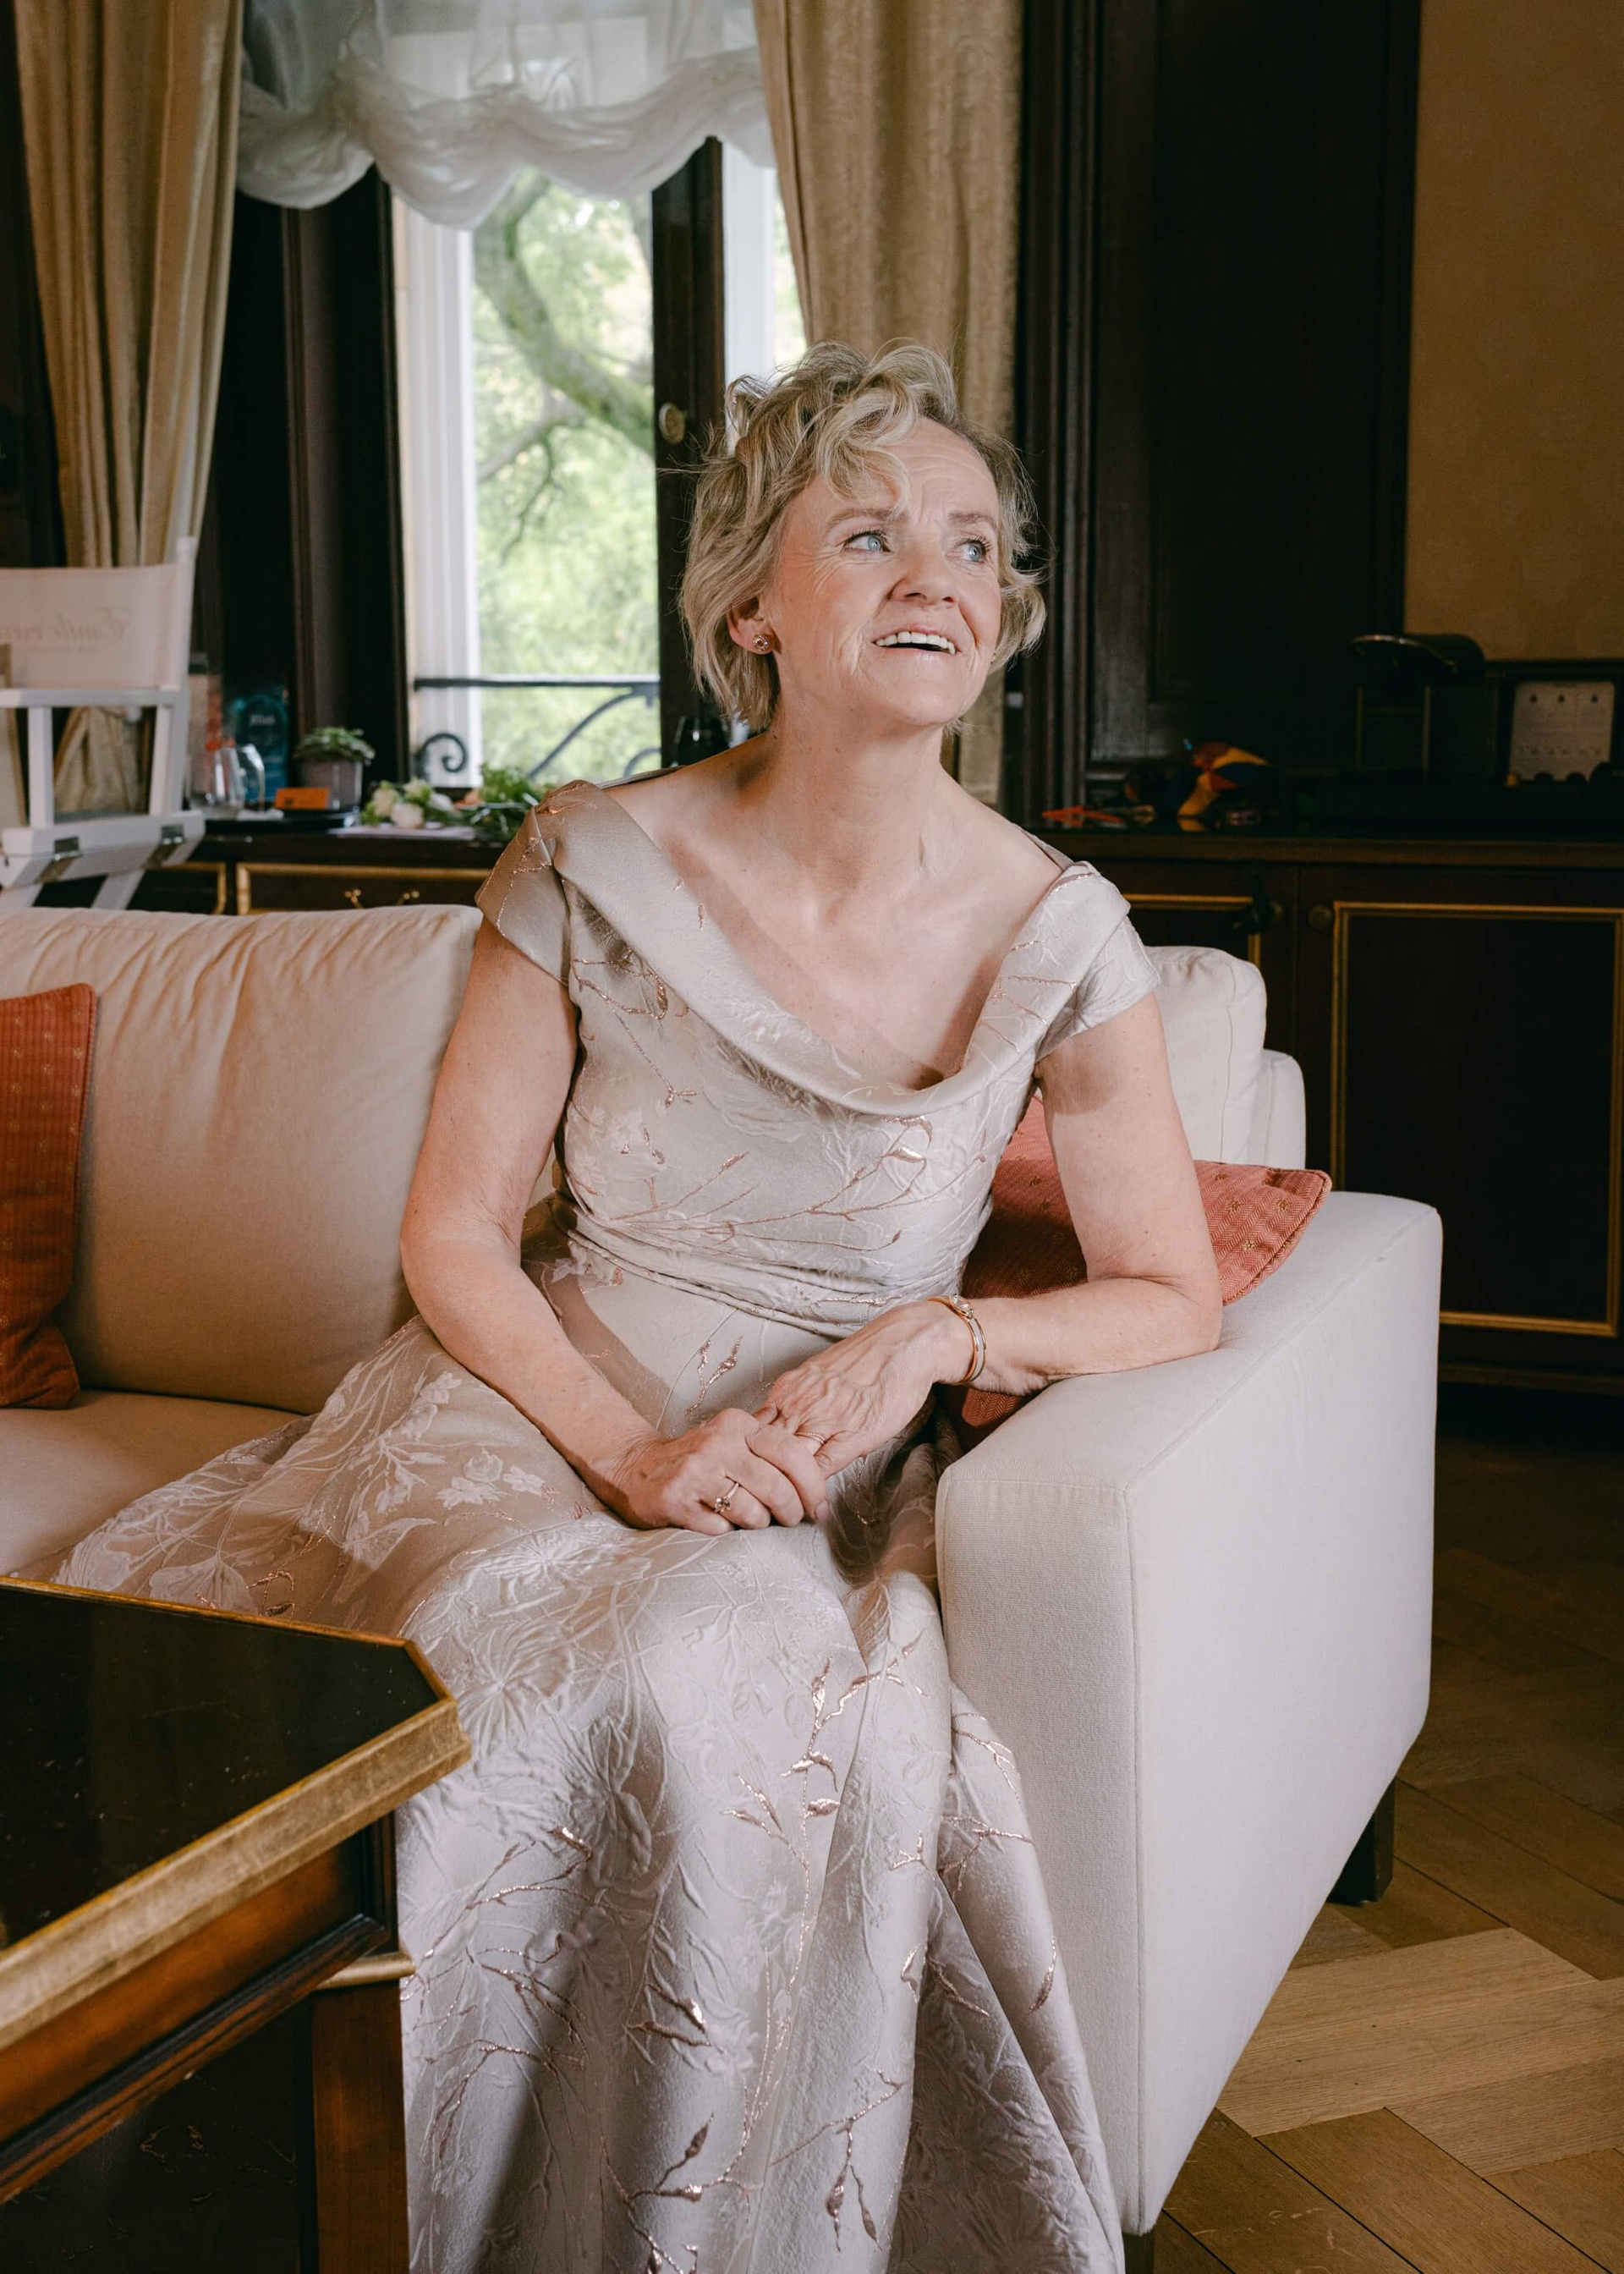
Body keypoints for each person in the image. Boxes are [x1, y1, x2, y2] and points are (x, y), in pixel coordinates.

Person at [60, 343, 1220, 2272]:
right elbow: (453, 1236)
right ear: (752, 604)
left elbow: (1171, 1294)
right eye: (871, 535)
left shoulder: (1063, 934)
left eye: (973, 546)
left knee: (710, 1673)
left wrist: (942, 1338)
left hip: (818, 1453)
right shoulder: (590, 857)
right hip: (540, 1399)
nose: (938, 579)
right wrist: (625, 1453)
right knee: (454, 1675)